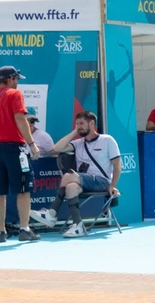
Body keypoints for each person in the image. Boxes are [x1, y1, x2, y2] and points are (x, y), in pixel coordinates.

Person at [30, 110, 120, 238]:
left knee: (68, 176)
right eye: (77, 124)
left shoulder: (107, 140)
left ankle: (52, 213)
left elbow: (117, 165)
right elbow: (56, 149)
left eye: (82, 123)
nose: (79, 126)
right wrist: (75, 132)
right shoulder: (78, 143)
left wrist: (112, 185)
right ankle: (77, 225)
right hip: (83, 181)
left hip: (102, 181)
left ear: (92, 123)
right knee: (70, 186)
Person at [0, 65, 39, 242]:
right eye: (16, 79)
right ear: (10, 79)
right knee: (23, 190)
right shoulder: (14, 94)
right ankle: (24, 229)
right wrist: (32, 144)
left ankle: (1, 232)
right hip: (14, 148)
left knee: (0, 192)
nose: (17, 84)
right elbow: (19, 119)